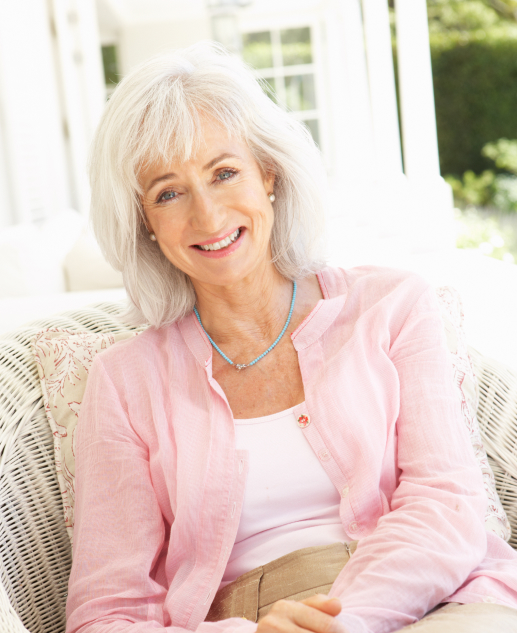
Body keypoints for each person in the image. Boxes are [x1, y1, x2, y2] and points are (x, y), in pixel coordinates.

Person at [66, 43, 517, 633]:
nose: (207, 216)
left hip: (438, 598)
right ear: (144, 222)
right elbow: (108, 612)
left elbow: (446, 503)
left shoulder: (392, 307)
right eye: (168, 192)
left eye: (224, 173)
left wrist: (347, 619)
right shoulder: (125, 382)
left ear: (268, 174)